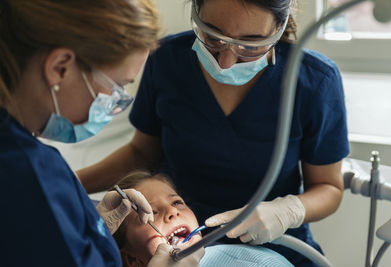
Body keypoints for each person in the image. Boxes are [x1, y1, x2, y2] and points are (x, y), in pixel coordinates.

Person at [78, 0, 349, 265]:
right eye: (214, 37)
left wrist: (287, 211)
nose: (226, 62)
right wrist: (65, 185)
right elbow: (141, 153)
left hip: (277, 244)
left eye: (250, 44)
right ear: (196, 10)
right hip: (176, 247)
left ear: (278, 27)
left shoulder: (315, 80)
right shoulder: (166, 61)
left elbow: (329, 187)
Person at [0, 0, 204, 266]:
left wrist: (95, 227)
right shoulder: (28, 175)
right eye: (117, 87)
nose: (116, 106)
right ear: (60, 67)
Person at [113, 170, 294, 267]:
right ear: (132, 260)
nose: (172, 211)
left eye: (177, 202)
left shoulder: (255, 263)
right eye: (151, 213)